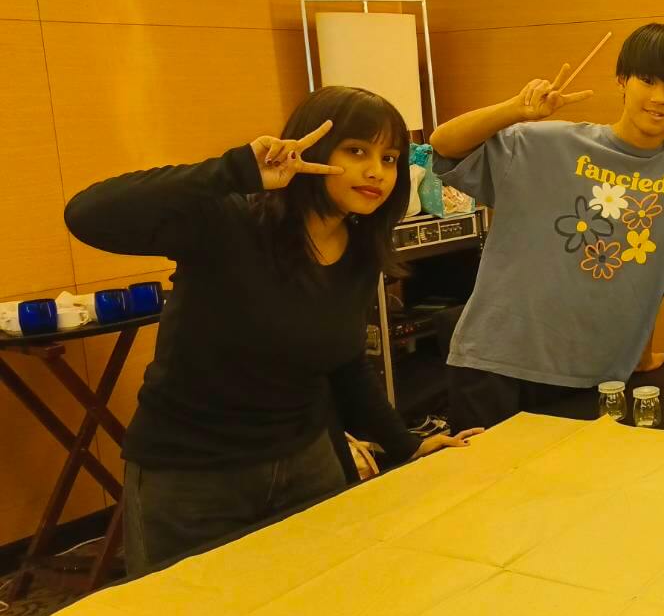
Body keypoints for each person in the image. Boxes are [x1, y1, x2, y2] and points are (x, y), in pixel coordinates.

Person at [65, 86, 480, 577]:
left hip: (305, 462)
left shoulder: (359, 247)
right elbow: (88, 214)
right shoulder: (232, 221)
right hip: (193, 475)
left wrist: (406, 444)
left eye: (389, 158)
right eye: (356, 151)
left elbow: (345, 363)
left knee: (320, 601)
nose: (377, 172)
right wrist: (236, 169)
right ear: (312, 149)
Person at [429, 23, 664, 430]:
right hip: (495, 364)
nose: (659, 98)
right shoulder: (545, 143)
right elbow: (443, 145)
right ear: (622, 80)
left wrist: (641, 354)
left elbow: (656, 275)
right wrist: (516, 110)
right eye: (647, 80)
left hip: (597, 373)